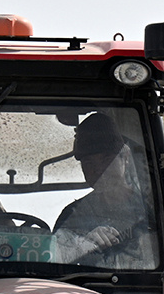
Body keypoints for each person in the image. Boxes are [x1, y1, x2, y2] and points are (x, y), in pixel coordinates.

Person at [54, 112, 157, 270]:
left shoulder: (154, 211)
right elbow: (55, 270)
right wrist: (82, 247)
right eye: (88, 162)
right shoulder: (72, 217)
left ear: (125, 157)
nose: (99, 170)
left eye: (106, 160)